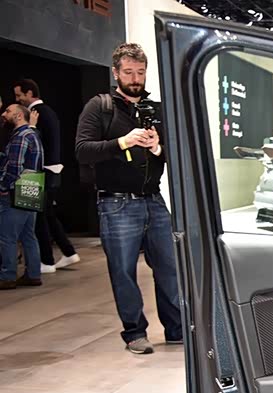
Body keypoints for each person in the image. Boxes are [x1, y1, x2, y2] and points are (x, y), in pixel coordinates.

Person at [75, 42, 182, 354]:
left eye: (140, 72)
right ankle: (135, 333)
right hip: (116, 203)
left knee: (170, 269)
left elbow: (177, 157)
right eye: (128, 72)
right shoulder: (100, 107)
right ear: (115, 73)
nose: (135, 78)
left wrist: (157, 147)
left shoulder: (157, 110)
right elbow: (82, 151)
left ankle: (176, 330)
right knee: (124, 272)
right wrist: (122, 142)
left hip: (154, 201)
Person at [14, 78, 80, 273]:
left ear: (29, 93)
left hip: (36, 172)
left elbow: (34, 143)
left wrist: (30, 127)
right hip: (46, 171)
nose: (17, 100)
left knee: (37, 219)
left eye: (19, 95)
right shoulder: (47, 111)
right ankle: (68, 252)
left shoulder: (37, 113)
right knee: (47, 216)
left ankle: (46, 260)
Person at [0, 104, 43, 290]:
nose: (4, 114)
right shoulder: (32, 135)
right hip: (33, 186)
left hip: (16, 189)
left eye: (8, 111)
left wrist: (3, 186)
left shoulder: (20, 137)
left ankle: (7, 276)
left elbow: (15, 167)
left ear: (18, 116)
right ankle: (33, 274)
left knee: (7, 236)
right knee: (28, 235)